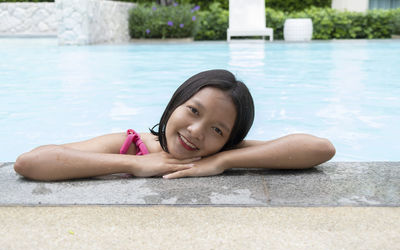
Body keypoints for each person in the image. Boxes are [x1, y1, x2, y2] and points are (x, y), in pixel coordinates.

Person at [14, 69, 335, 181]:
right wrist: (135, 165)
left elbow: (320, 148)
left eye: (218, 130)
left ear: (229, 140)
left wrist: (223, 160)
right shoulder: (130, 145)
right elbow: (30, 162)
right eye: (193, 111)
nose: (197, 131)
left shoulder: (221, 152)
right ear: (174, 105)